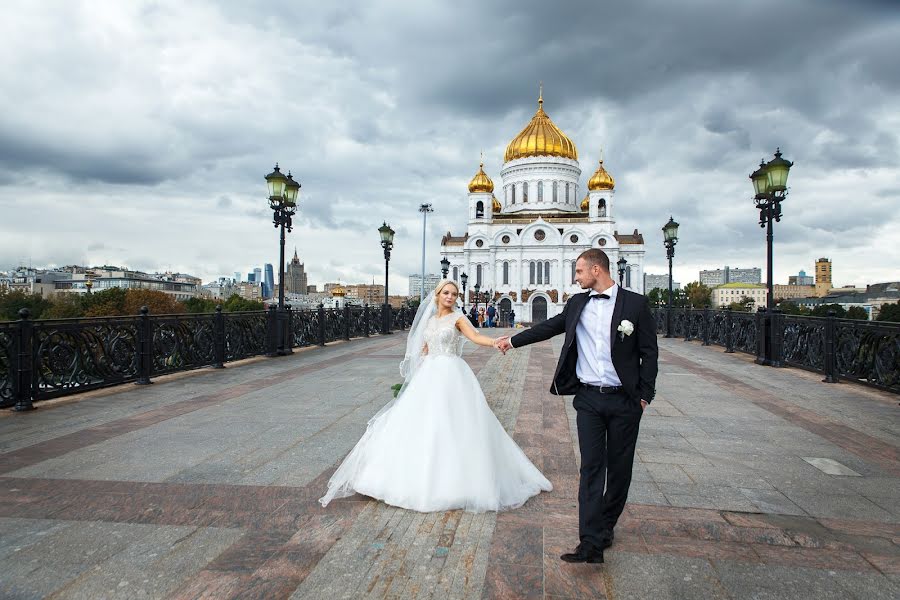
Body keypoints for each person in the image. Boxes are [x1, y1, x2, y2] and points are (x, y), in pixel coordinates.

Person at [320, 279, 552, 513]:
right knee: (421, 423)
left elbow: (474, 337)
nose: (450, 297)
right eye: (446, 293)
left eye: (454, 294)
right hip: (429, 374)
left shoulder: (458, 318)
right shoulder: (430, 321)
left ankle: (454, 481)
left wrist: (495, 342)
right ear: (438, 295)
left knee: (453, 422)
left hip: (452, 373)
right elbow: (424, 348)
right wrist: (419, 365)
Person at [496, 249, 658, 564]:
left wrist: (644, 395)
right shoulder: (577, 303)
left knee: (620, 470)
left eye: (580, 272)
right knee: (591, 467)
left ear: (597, 270)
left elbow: (649, 352)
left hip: (625, 400)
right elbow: (548, 328)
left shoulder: (636, 305)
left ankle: (606, 526)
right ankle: (589, 543)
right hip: (589, 400)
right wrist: (513, 342)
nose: (576, 277)